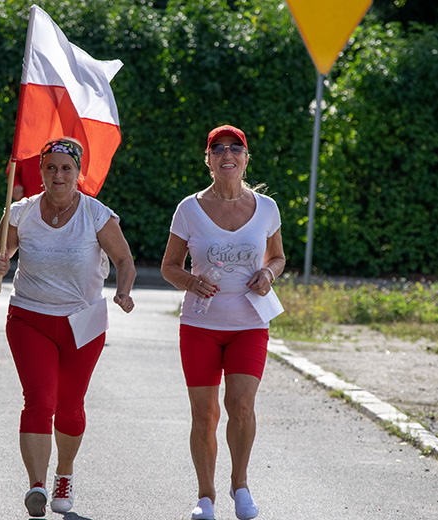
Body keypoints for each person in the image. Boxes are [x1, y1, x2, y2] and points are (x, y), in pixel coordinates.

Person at [0, 137, 136, 517]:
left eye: (66, 168)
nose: (58, 175)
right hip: (29, 317)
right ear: (39, 171)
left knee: (70, 406)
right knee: (40, 401)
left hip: (83, 320)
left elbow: (124, 259)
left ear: (78, 173)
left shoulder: (96, 214)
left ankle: (64, 474)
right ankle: (36, 485)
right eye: (50, 167)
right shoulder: (21, 211)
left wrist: (123, 292)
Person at [160, 125, 285, 520]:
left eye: (235, 148)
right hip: (199, 325)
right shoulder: (188, 209)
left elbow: (278, 257)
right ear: (208, 159)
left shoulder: (266, 208)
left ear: (246, 159)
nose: (226, 154)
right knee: (205, 413)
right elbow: (168, 267)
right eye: (217, 149)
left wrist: (268, 275)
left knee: (242, 405)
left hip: (249, 321)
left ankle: (241, 485)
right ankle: (206, 496)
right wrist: (191, 281)